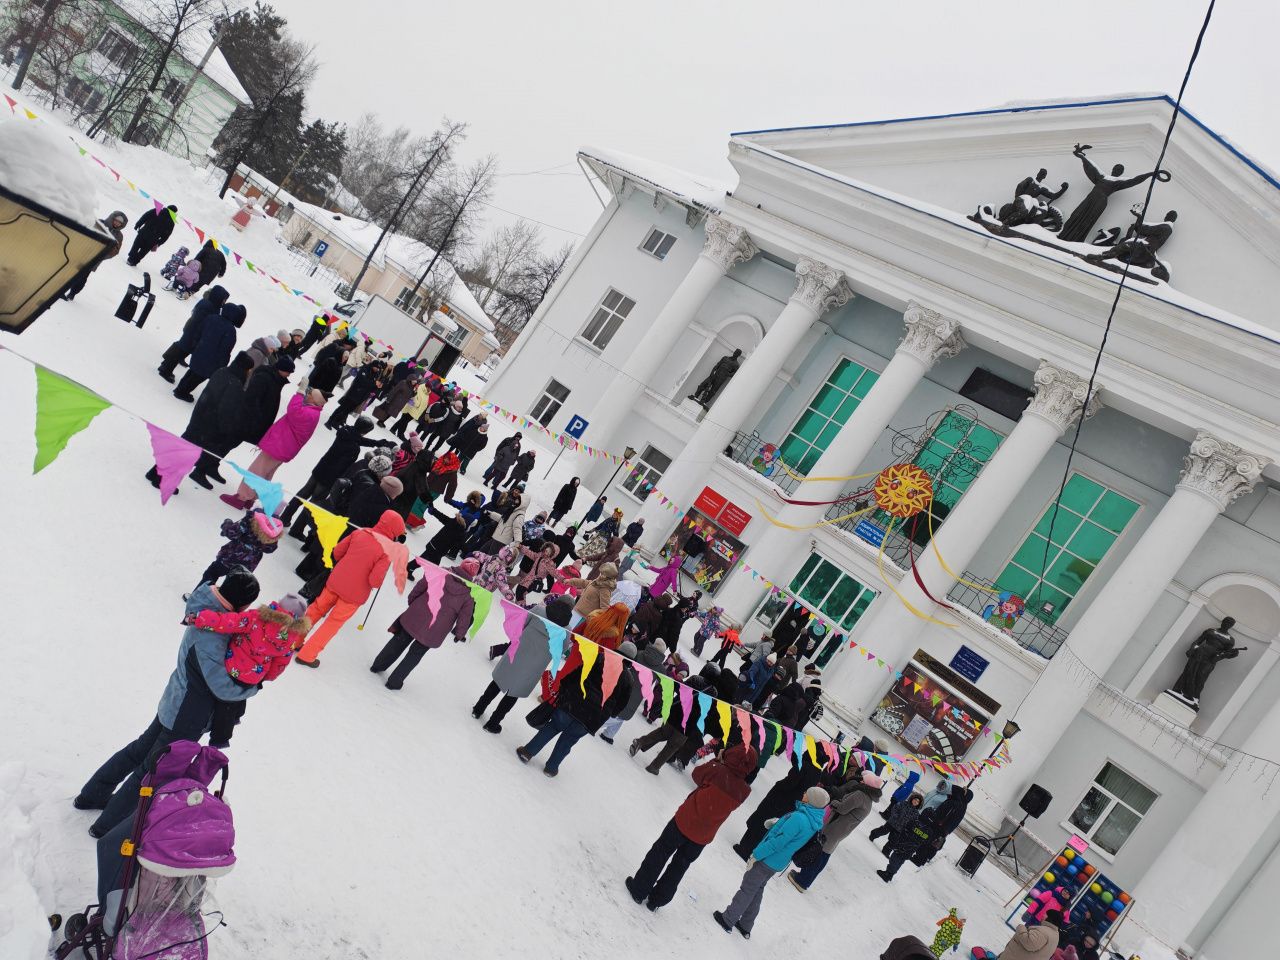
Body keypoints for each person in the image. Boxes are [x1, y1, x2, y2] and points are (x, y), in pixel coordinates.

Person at [74, 569, 260, 836]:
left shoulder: (207, 609)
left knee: (139, 751)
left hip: (175, 699)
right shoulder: (212, 634)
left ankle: (92, 795)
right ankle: (107, 826)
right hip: (186, 714)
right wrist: (254, 685)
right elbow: (222, 687)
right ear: (241, 603)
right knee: (151, 771)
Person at [625, 743, 758, 912]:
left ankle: (639, 889)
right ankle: (657, 900)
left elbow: (697, 775)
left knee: (660, 852)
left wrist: (717, 761)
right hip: (703, 836)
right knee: (679, 867)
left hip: (684, 821)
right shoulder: (744, 790)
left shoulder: (718, 770)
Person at [190, 593, 309, 748]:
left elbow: (229, 622)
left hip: (234, 667)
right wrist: (266, 677)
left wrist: (201, 618)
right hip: (255, 675)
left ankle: (220, 738)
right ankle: (237, 715)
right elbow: (280, 663)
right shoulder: (291, 638)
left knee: (227, 703)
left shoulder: (257, 618)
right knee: (243, 691)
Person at [713, 786, 829, 940]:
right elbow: (790, 836)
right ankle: (746, 925)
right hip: (778, 862)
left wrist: (756, 854)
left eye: (807, 793)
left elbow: (778, 842)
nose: (804, 793)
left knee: (747, 888)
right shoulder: (812, 820)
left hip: (767, 859)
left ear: (812, 800)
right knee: (757, 889)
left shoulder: (799, 818)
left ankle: (727, 919)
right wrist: (778, 824)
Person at [296, 510, 406, 667]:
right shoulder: (387, 550)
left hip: (335, 582)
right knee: (332, 623)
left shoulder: (360, 532)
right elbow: (374, 581)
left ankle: (294, 641)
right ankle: (307, 655)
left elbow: (337, 552)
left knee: (315, 610)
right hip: (354, 595)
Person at [517, 639, 635, 777]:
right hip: (592, 717)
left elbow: (577, 673)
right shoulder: (628, 679)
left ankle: (527, 752)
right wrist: (607, 713)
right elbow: (620, 705)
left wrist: (564, 687)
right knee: (568, 741)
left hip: (572, 703)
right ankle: (551, 768)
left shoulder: (599, 658)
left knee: (552, 727)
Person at [370, 559, 475, 689]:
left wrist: (412, 600)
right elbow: (465, 618)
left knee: (399, 641)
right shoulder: (468, 596)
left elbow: (421, 586)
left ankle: (378, 665)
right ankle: (394, 682)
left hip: (416, 615)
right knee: (415, 655)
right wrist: (459, 634)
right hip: (435, 629)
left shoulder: (439, 573)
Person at [474, 595, 572, 733]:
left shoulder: (539, 610)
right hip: (535, 665)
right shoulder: (567, 630)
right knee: (514, 693)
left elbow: (522, 623)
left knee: (498, 682)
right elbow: (562, 649)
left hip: (518, 652)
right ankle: (493, 723)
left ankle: (478, 709)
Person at [221, 388, 324, 511]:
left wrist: (299, 393)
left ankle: (241, 498)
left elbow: (293, 409)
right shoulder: (313, 412)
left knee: (255, 472)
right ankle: (251, 499)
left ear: (315, 400)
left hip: (278, 447)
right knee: (265, 475)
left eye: (310, 394)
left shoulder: (309, 413)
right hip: (282, 448)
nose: (307, 395)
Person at [789, 769, 884, 891]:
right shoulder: (869, 801)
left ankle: (801, 881)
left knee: (818, 853)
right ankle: (806, 880)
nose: (861, 781)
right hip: (841, 831)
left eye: (863, 781)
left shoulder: (860, 795)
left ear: (868, 785)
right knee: (824, 855)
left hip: (834, 827)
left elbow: (842, 808)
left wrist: (834, 802)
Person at [281, 416, 380, 530]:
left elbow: (358, 439)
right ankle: (297, 529)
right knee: (314, 502)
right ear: (365, 432)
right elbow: (344, 466)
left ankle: (285, 517)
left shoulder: (344, 432)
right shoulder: (354, 447)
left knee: (303, 492)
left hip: (321, 467)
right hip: (329, 477)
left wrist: (377, 443)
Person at [173, 302, 245, 401]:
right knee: (198, 376)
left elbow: (199, 331)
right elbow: (225, 350)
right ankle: (182, 392)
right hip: (211, 359)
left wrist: (195, 345)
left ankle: (180, 388)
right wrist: (223, 364)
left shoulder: (212, 318)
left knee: (192, 371)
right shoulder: (230, 330)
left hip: (199, 351)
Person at [157, 286, 230, 382]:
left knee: (182, 348)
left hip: (193, 331)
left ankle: (166, 364)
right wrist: (199, 334)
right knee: (182, 349)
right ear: (218, 297)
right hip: (193, 332)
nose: (224, 302)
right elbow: (200, 321)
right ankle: (165, 369)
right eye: (223, 300)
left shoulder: (211, 304)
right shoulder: (208, 306)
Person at [61, 210, 127, 300]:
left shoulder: (119, 236)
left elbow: (115, 251)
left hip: (95, 259)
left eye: (120, 223)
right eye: (116, 220)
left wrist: (101, 255)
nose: (117, 223)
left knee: (82, 278)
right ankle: (60, 291)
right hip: (82, 252)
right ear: (112, 218)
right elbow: (86, 232)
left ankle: (72, 293)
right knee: (70, 271)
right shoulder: (100, 223)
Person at [998, 911, 1063, 960]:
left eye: (1046, 914)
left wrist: (1021, 927)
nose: (1043, 915)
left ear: (1050, 918)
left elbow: (1029, 943)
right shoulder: (1055, 935)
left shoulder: (1043, 932)